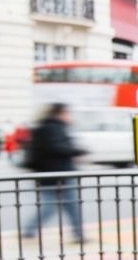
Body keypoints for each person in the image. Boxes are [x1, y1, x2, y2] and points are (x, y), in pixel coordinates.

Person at [21, 103, 88, 241]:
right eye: (68, 113)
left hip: (51, 174)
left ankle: (78, 233)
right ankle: (78, 233)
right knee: (63, 206)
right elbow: (58, 148)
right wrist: (78, 151)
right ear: (60, 114)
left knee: (63, 206)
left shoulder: (45, 127)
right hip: (58, 174)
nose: (70, 117)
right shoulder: (54, 128)